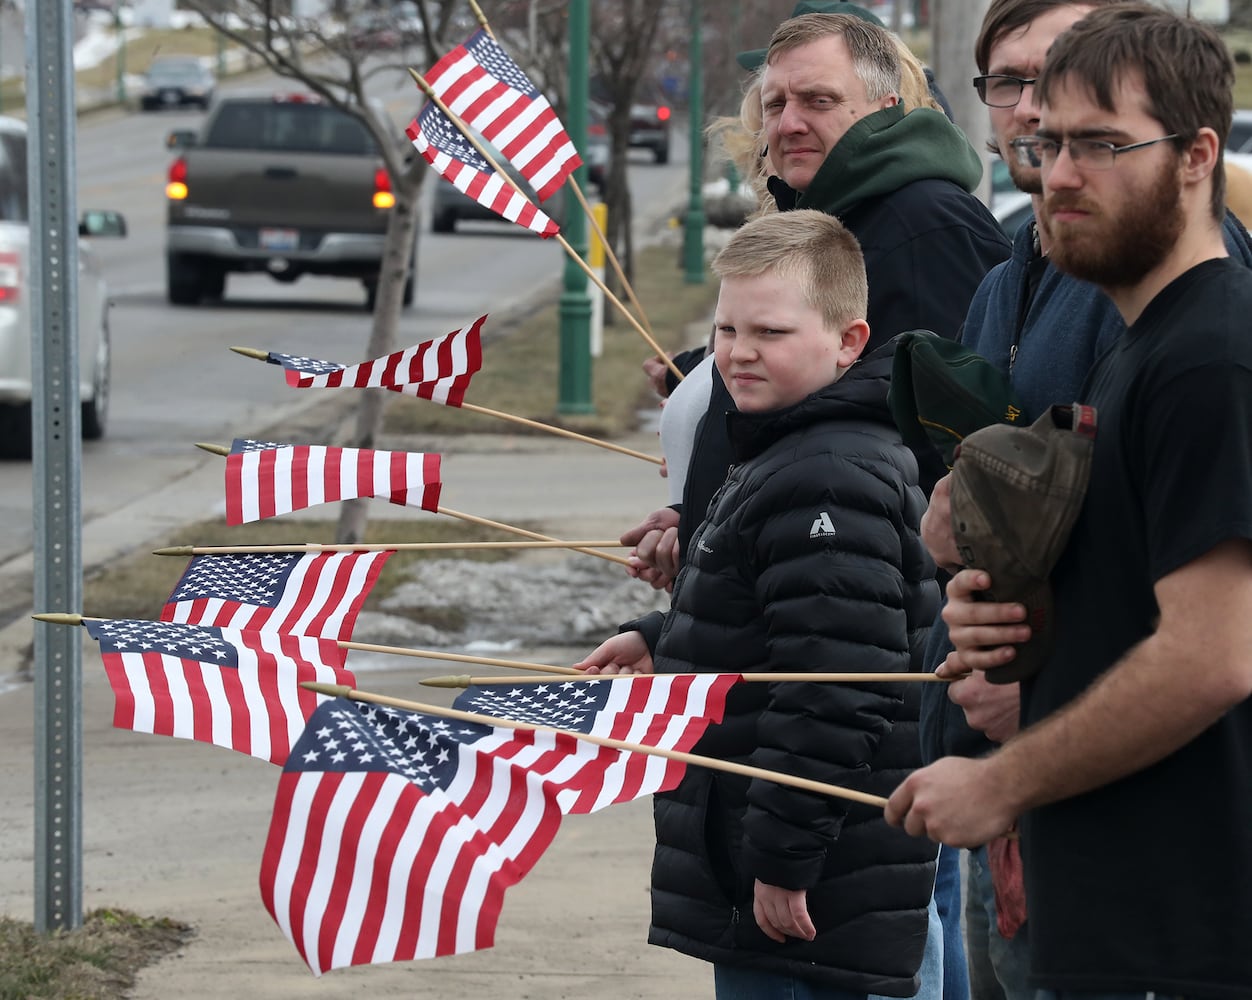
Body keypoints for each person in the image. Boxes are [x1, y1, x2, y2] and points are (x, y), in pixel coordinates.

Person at [886, 6, 1252, 998]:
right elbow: (1123, 598)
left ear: (1194, 156)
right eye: (1048, 144)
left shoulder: (1209, 358)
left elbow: (1212, 655)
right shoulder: (1146, 346)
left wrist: (998, 780)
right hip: (1102, 915)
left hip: (1181, 935)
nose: (1059, 175)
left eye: (1100, 144)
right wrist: (1003, 615)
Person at [576, 210, 941, 1000]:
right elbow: (783, 621)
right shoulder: (784, 445)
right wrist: (661, 636)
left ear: (849, 341)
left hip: (812, 889)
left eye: (770, 332)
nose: (739, 353)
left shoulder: (829, 473)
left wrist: (779, 862)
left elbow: (837, 687)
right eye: (726, 329)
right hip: (774, 856)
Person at [625, 9, 1011, 592]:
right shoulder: (828, 213)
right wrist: (701, 521)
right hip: (773, 582)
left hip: (845, 600)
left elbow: (938, 450)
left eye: (819, 100)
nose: (790, 123)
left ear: (885, 110)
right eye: (776, 104)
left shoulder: (926, 224)